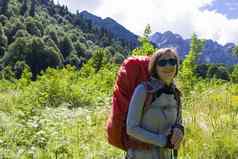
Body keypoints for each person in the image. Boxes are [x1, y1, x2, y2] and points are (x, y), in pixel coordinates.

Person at [126, 48, 184, 159]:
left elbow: (179, 121)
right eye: (162, 63)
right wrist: (163, 141)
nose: (168, 66)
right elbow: (131, 128)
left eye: (172, 61)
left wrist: (179, 128)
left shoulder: (176, 93)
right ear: (154, 68)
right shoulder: (143, 90)